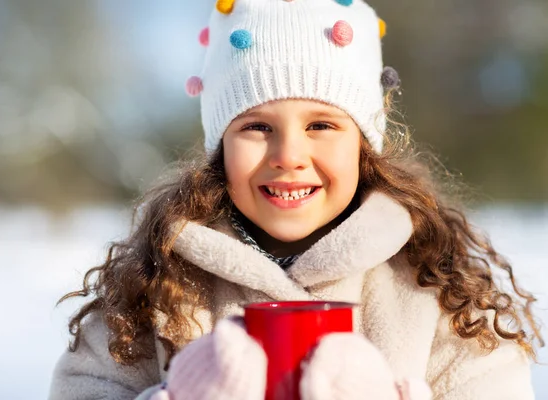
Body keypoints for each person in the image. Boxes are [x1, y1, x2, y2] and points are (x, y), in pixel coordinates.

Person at [48, 0, 543, 399]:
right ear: (220, 148)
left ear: (363, 146)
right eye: (257, 127)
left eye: (321, 126)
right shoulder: (158, 285)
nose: (289, 156)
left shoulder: (433, 288)